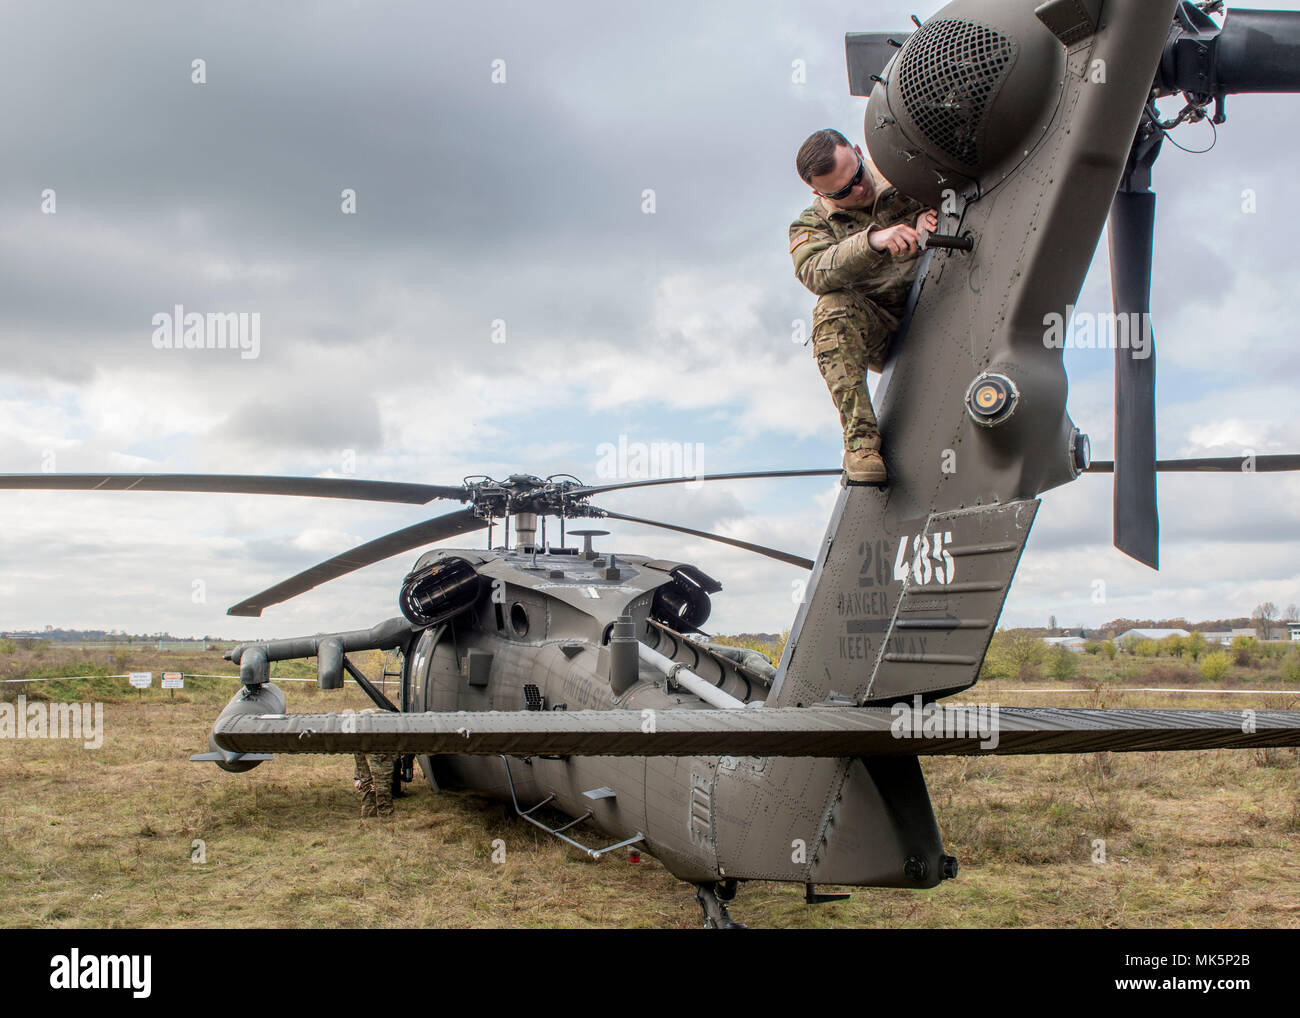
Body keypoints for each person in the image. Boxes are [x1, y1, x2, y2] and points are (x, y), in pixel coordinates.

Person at [789, 129, 937, 484]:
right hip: (885, 329)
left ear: (858, 151)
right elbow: (813, 270)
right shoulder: (811, 225)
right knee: (831, 308)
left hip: (945, 297)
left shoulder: (907, 171)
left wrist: (934, 217)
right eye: (842, 192)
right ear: (818, 193)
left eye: (857, 175)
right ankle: (861, 445)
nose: (858, 190)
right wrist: (870, 241)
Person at [352, 709, 398, 818]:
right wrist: (359, 779)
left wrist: (360, 778)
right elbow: (361, 763)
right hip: (377, 739)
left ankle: (376, 819)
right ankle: (379, 819)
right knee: (376, 787)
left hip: (375, 738)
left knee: (377, 788)